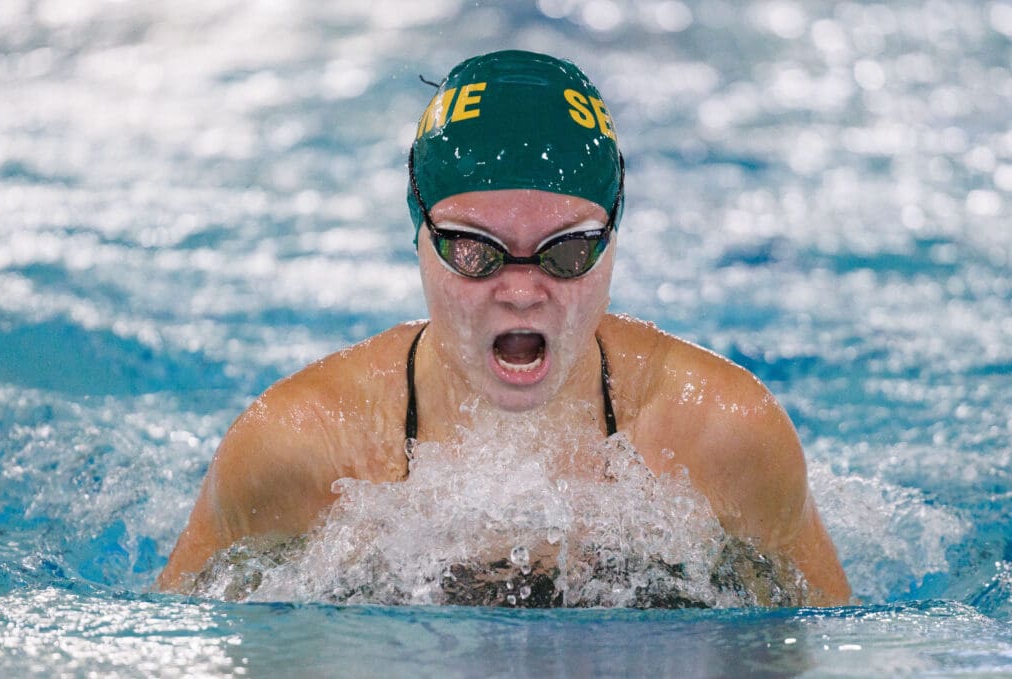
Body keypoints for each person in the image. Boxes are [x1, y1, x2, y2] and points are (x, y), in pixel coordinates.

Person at [155, 49, 851, 605]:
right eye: (474, 250)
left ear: (613, 239)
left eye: (568, 250)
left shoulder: (724, 436)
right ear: (418, 231)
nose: (521, 290)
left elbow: (827, 652)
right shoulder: (299, 448)